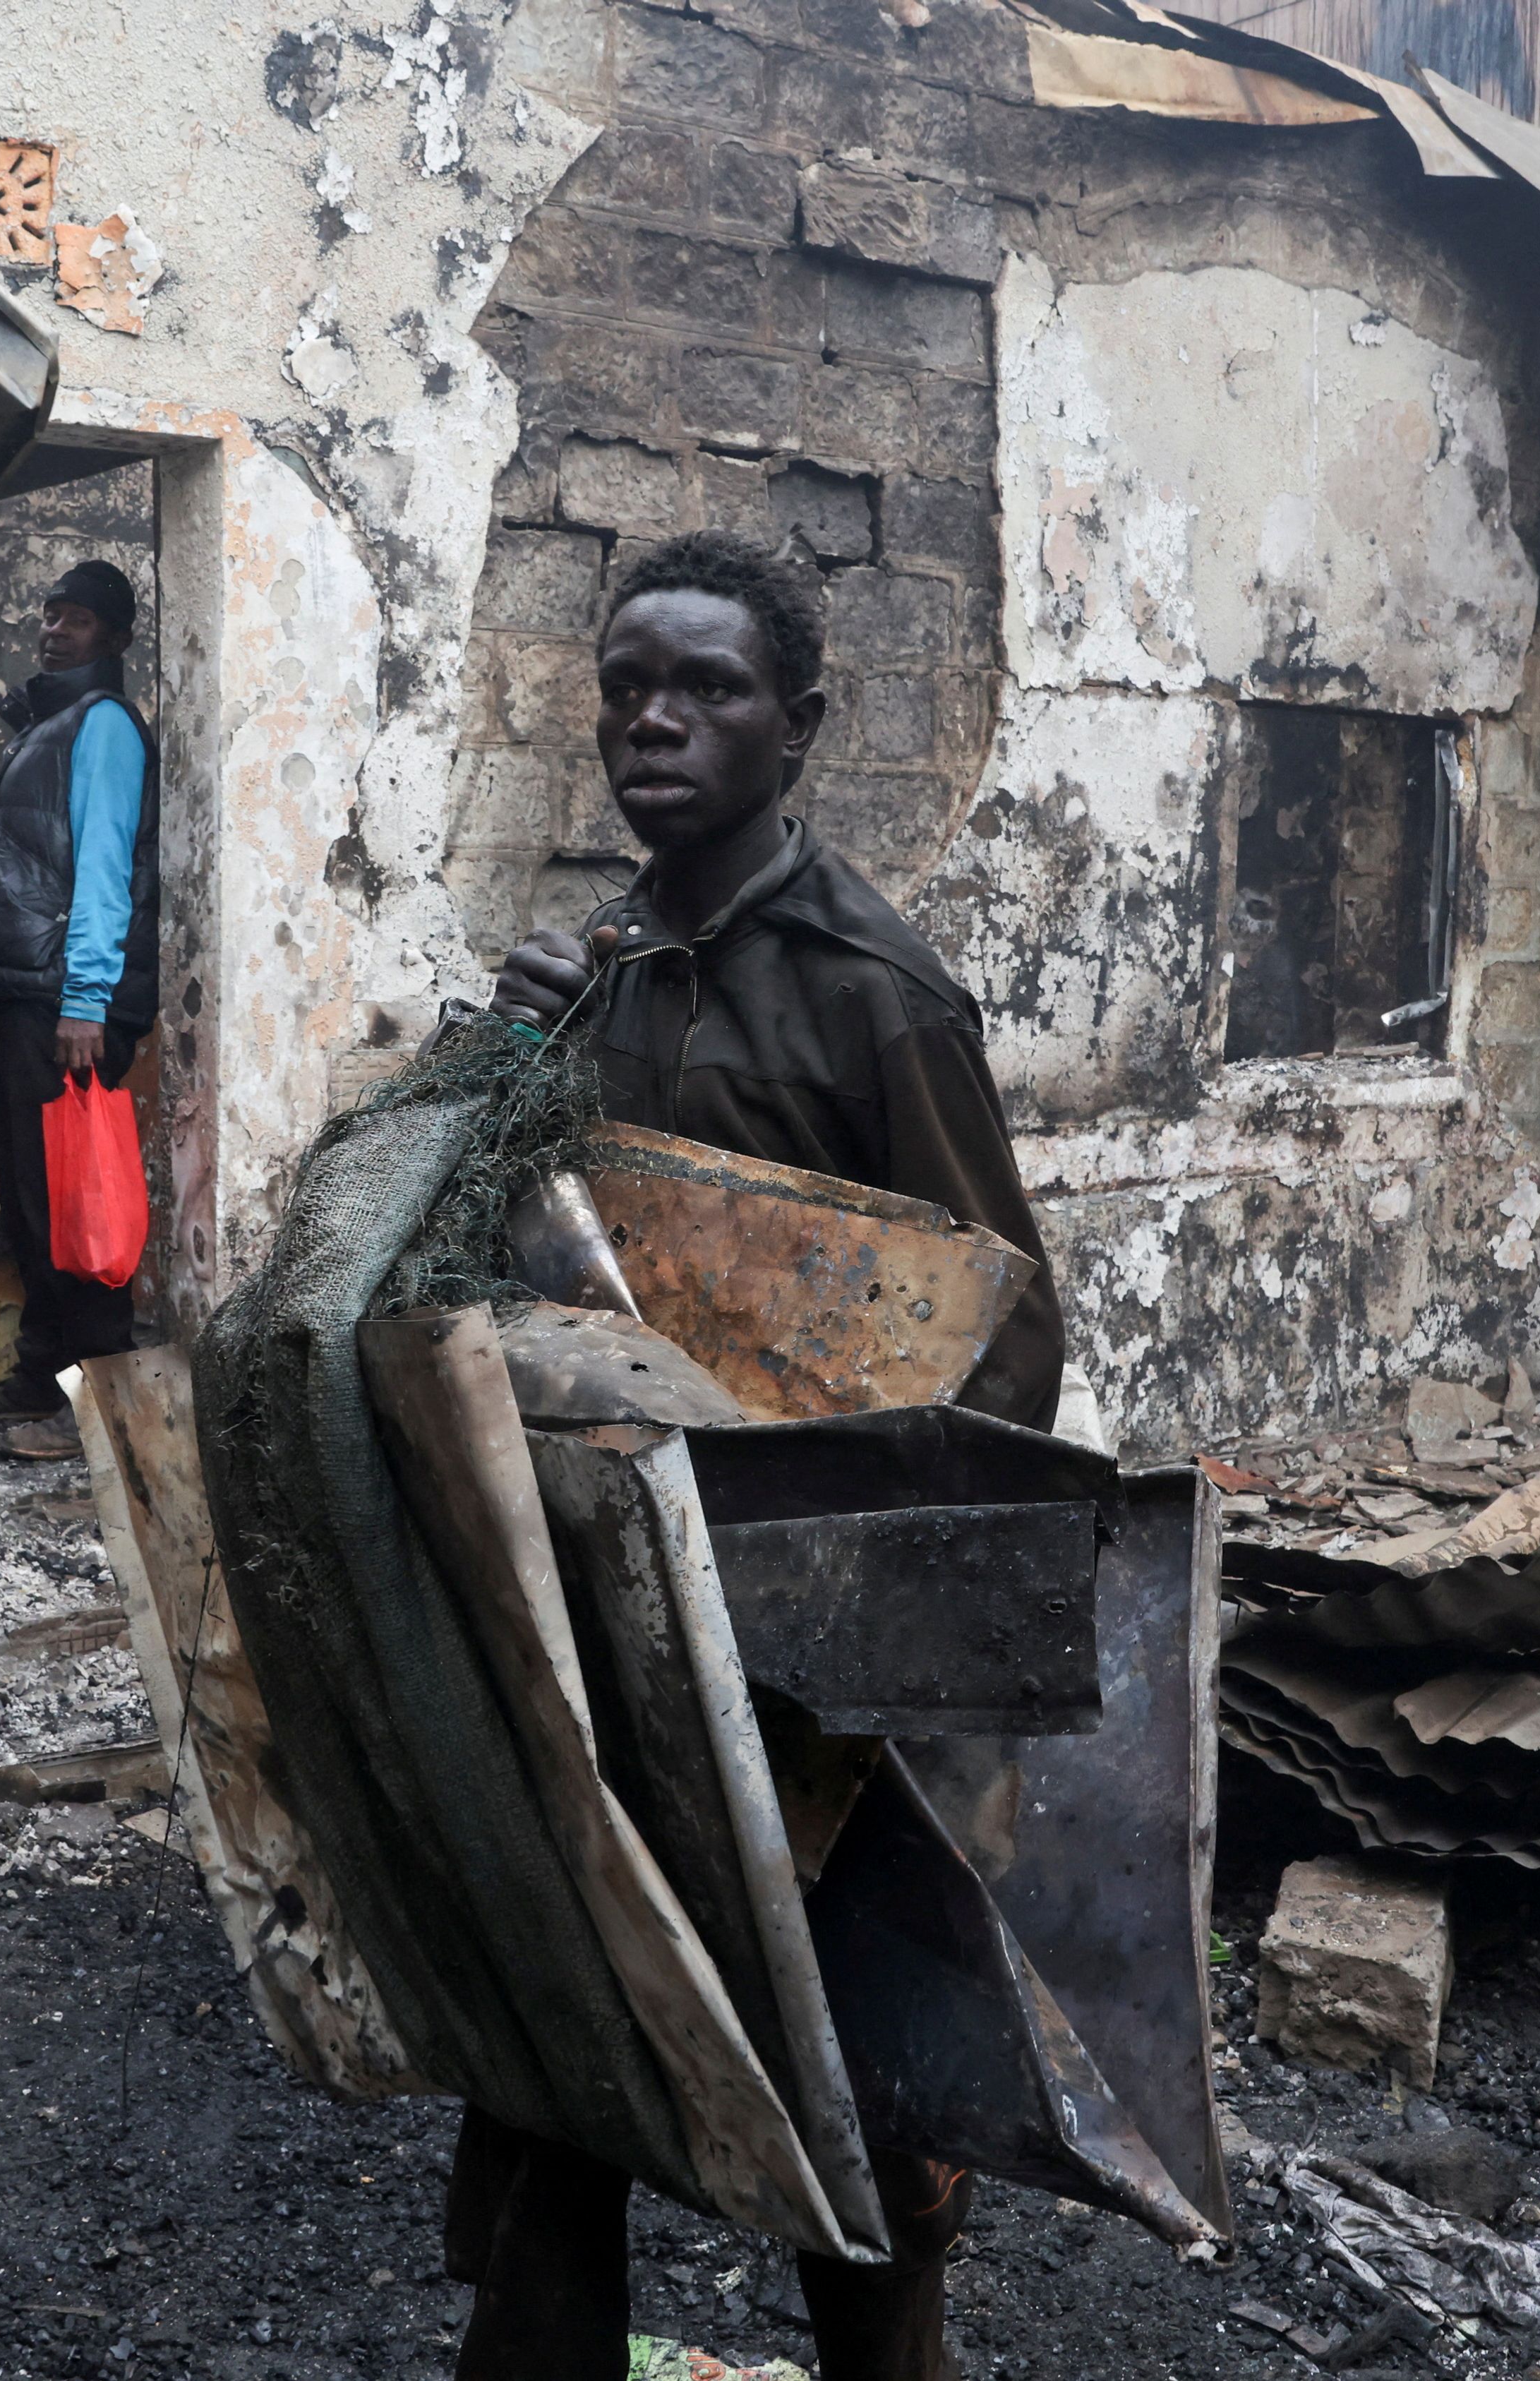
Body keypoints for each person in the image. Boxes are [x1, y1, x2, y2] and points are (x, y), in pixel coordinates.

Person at [472, 529, 1062, 2381]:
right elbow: (524, 1260)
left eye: (706, 688)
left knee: (855, 2124)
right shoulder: (595, 964)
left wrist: (848, 1605)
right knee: (560, 2078)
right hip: (601, 1617)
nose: (651, 720)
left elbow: (1001, 1338)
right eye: (625, 686)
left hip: (801, 1657)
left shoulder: (874, 991)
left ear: (794, 726)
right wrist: (506, 1063)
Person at [0, 560, 155, 1463]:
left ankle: (98, 1401)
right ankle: (43, 1374)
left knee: (74, 1199)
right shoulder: (49, 729)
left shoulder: (103, 725)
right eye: (51, 615)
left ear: (116, 639)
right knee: (33, 1198)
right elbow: (19, 874)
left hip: (67, 1002)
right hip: (34, 994)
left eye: (78, 620)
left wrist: (88, 998)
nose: (55, 630)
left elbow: (103, 864)